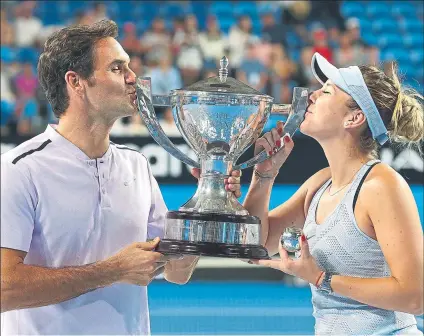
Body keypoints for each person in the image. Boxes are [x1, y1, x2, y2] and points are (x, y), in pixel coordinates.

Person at [0, 20, 241, 335]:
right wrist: (111, 271)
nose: (133, 79)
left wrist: (207, 203)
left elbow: (176, 270)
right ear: (76, 82)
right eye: (117, 68)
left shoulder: (136, 165)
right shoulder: (18, 169)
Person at [243, 52, 423, 334]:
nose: (312, 96)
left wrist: (321, 278)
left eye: (326, 91)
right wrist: (263, 174)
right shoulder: (320, 184)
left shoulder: (382, 185)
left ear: (354, 117)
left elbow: (415, 296)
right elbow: (255, 244)